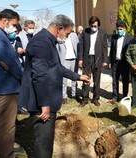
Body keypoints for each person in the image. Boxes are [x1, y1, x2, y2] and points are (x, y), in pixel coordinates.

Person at [18, 15, 90, 157]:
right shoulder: (41, 43)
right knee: (43, 144)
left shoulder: (48, 41)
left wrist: (78, 77)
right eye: (68, 33)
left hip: (46, 99)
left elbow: (57, 68)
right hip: (41, 102)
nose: (67, 36)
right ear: (60, 29)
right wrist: (44, 104)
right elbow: (39, 76)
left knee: (46, 141)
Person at [0, 9, 23, 158]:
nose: (15, 29)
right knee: (6, 125)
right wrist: (22, 77)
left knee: (0, 122)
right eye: (14, 24)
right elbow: (9, 61)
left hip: (1, 86)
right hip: (4, 88)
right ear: (5, 21)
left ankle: (2, 147)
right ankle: (6, 154)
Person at [78, 16, 108, 107]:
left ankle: (95, 99)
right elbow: (81, 46)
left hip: (98, 59)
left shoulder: (103, 33)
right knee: (86, 79)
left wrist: (105, 60)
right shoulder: (85, 32)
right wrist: (80, 59)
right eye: (92, 25)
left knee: (97, 80)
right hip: (87, 58)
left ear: (98, 24)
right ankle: (85, 98)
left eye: (95, 25)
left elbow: (105, 47)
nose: (93, 27)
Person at [109, 20, 133, 104]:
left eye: (121, 29)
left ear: (125, 29)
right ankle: (115, 97)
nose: (119, 30)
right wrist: (110, 62)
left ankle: (124, 96)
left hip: (124, 63)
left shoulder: (129, 38)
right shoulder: (114, 38)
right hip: (115, 62)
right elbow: (112, 50)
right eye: (118, 29)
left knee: (125, 81)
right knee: (115, 80)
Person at [57, 32, 79, 104]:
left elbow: (78, 46)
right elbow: (57, 48)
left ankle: (74, 94)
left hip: (74, 59)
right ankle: (64, 96)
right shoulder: (60, 36)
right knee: (64, 80)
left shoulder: (74, 35)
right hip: (64, 60)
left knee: (74, 78)